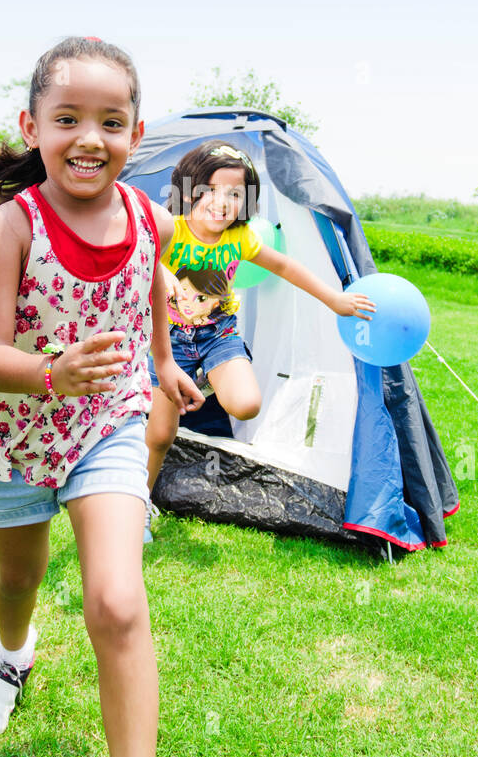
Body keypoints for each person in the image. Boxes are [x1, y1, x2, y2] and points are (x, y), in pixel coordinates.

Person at [0, 35, 203, 757]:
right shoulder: (9, 227)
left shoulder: (148, 219)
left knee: (119, 603)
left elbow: (151, 306)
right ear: (32, 126)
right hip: (20, 431)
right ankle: (11, 658)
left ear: (138, 132)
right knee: (17, 577)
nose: (89, 137)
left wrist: (163, 366)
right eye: (68, 118)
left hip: (109, 426)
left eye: (111, 120)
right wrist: (54, 372)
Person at [145, 139, 376, 500]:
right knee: (159, 435)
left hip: (217, 335)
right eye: (210, 190)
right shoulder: (172, 229)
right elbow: (136, 255)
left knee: (246, 404)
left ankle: (205, 377)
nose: (223, 202)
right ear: (189, 191)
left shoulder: (241, 238)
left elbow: (285, 265)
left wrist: (335, 299)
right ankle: (140, 502)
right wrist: (160, 271)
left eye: (235, 194)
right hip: (169, 341)